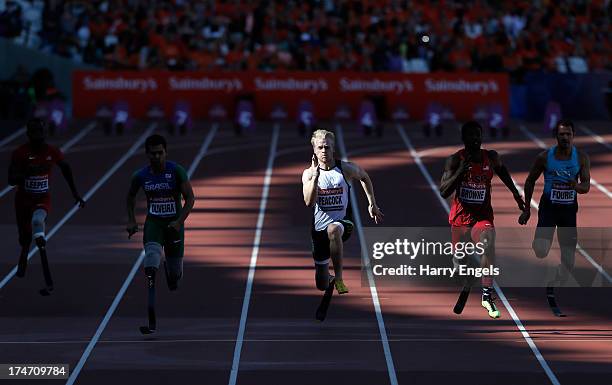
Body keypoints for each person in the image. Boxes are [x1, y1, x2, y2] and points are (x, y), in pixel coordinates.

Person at [440, 121, 525, 318]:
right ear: (464, 139)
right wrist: (461, 171)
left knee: (489, 243)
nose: (476, 139)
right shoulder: (454, 160)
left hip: (482, 216)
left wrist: (516, 195)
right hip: (460, 219)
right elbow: (444, 191)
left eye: (478, 135)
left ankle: (487, 295)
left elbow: (502, 172)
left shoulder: (491, 157)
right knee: (461, 267)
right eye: (471, 136)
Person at [302, 129, 384, 296]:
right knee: (321, 284)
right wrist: (316, 177)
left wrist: (372, 204)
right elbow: (309, 202)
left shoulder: (345, 169)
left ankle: (339, 278)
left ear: (333, 149)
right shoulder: (309, 174)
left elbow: (364, 177)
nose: (324, 151)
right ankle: (330, 280)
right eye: (320, 148)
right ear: (314, 150)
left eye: (327, 147)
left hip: (343, 223)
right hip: (318, 231)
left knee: (333, 230)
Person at [8, 118, 85, 294]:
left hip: (42, 198)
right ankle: (24, 252)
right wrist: (26, 174)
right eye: (35, 134)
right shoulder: (19, 153)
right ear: (28, 135)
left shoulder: (52, 152)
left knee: (37, 221)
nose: (39, 137)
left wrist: (75, 193)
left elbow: (66, 169)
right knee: (24, 237)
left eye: (41, 133)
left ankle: (41, 243)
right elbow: (10, 180)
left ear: (45, 134)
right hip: (23, 200)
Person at [126, 134, 194, 333]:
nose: (156, 157)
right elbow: (130, 196)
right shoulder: (140, 176)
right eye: (153, 153)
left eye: (160, 153)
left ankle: (170, 272)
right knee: (151, 259)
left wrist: (179, 221)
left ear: (166, 152)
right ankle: (151, 307)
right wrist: (131, 220)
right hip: (154, 224)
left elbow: (190, 198)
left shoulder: (176, 171)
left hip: (174, 226)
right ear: (147, 154)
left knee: (175, 278)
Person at [519, 119, 590, 291]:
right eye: (561, 134)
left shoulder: (581, 158)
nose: (565, 137)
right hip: (549, 209)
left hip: (568, 211)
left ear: (573, 136)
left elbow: (586, 186)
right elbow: (529, 181)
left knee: (569, 264)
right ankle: (541, 238)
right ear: (555, 136)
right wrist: (527, 208)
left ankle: (557, 277)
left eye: (568, 134)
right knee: (541, 251)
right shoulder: (544, 157)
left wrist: (577, 187)